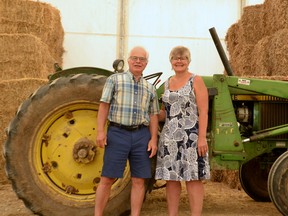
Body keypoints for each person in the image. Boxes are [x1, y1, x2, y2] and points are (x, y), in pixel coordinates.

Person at [94, 46, 159, 216]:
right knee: (107, 178)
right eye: (135, 58)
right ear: (129, 60)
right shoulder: (115, 80)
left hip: (141, 135)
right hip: (118, 133)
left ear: (146, 63)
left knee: (139, 180)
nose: (138, 61)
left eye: (142, 59)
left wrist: (153, 139)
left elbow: (153, 115)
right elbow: (104, 105)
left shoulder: (150, 88)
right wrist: (100, 131)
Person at [155, 46, 210, 216]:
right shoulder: (166, 83)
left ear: (188, 61)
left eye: (183, 58)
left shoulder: (196, 80)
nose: (179, 61)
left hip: (191, 137)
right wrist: (150, 114)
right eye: (175, 58)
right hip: (169, 137)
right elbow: (166, 112)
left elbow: (203, 111)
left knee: (193, 179)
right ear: (171, 62)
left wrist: (202, 138)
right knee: (172, 179)